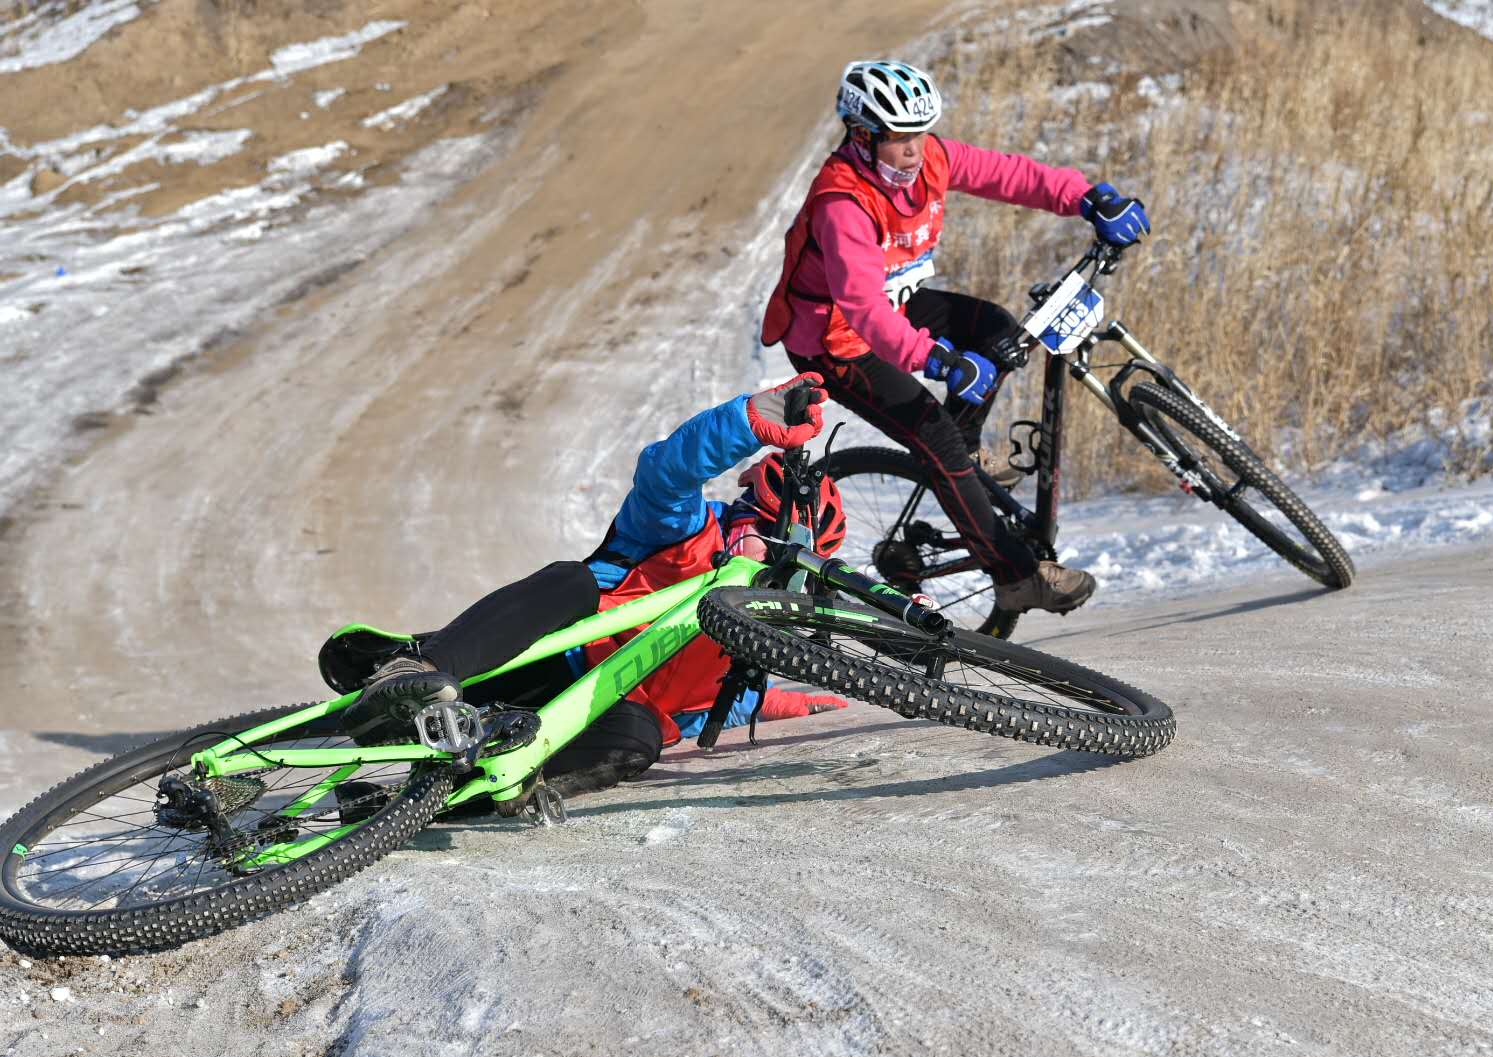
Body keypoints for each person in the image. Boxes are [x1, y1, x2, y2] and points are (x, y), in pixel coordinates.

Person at [761, 59, 1152, 615]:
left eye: (919, 133)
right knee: (935, 437)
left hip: (893, 302)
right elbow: (862, 308)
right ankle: (1016, 575)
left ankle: (962, 458)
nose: (914, 150)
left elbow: (1010, 174)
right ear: (863, 137)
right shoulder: (842, 203)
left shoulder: (931, 160)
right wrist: (938, 361)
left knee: (996, 327)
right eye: (899, 139)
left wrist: (1087, 197)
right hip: (835, 338)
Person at [342, 373, 850, 798]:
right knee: (571, 580)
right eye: (763, 539)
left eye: (794, 563)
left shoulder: (762, 637)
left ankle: (414, 804)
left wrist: (777, 701)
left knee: (640, 739)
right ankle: (417, 666)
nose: (770, 561)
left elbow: (710, 706)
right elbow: (666, 474)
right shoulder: (684, 533)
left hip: (588, 714)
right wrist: (746, 422)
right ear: (743, 516)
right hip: (544, 657)